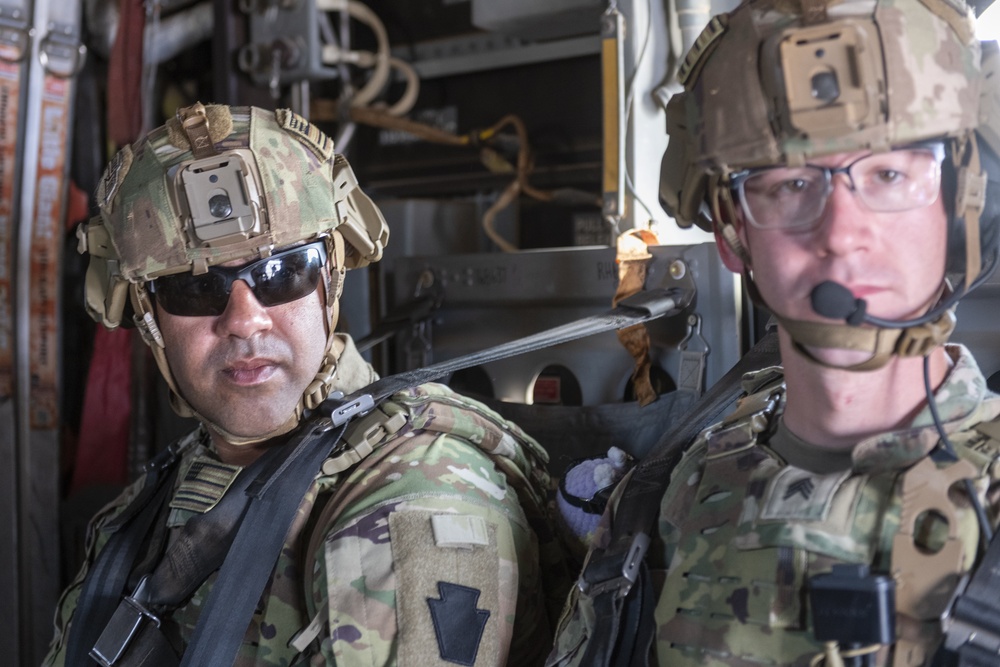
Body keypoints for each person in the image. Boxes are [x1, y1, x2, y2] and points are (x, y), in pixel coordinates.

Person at [547, 0, 1000, 664]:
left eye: (890, 174)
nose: (843, 234)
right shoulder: (670, 494)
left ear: (961, 208)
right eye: (790, 184)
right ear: (733, 232)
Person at [44, 102, 564, 667]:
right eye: (193, 290)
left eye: (281, 272)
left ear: (329, 281)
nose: (245, 320)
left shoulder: (413, 501)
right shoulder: (152, 505)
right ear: (148, 316)